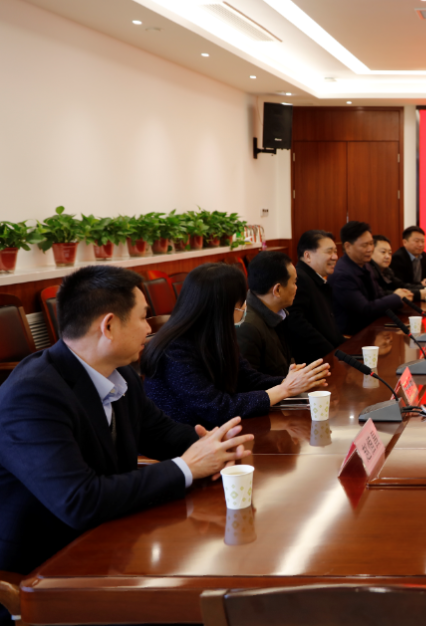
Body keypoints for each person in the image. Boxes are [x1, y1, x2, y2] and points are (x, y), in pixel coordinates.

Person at [0, 266, 254, 589]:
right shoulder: (32, 394)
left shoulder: (120, 375)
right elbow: (80, 501)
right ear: (108, 326)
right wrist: (187, 467)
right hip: (41, 567)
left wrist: (216, 445)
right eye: (143, 317)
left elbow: (161, 433)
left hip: (110, 539)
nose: (150, 328)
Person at [144, 263, 329, 428]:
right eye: (241, 301)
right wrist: (283, 389)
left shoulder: (216, 335)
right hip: (188, 445)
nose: (245, 306)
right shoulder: (176, 348)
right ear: (222, 307)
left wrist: (295, 381)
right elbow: (217, 407)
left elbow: (248, 379)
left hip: (218, 435)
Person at [330, 221, 413, 335]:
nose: (370, 249)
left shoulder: (366, 265)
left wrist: (399, 296)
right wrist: (396, 298)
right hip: (354, 335)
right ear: (348, 246)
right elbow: (365, 309)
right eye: (365, 245)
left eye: (371, 244)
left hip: (373, 327)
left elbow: (379, 295)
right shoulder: (342, 275)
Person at [236, 251, 297, 377]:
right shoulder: (247, 328)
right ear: (277, 290)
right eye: (294, 282)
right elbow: (247, 383)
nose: (296, 288)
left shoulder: (279, 312)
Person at [289, 229, 345, 364]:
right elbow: (297, 323)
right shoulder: (300, 279)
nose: (335, 257)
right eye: (329, 252)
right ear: (308, 256)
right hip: (317, 362)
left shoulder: (316, 279)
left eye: (335, 251)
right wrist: (331, 352)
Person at [371, 234, 426, 301]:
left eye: (389, 253)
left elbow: (401, 286)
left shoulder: (387, 271)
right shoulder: (369, 272)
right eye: (383, 252)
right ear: (370, 252)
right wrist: (418, 294)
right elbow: (382, 294)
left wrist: (424, 288)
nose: (388, 256)